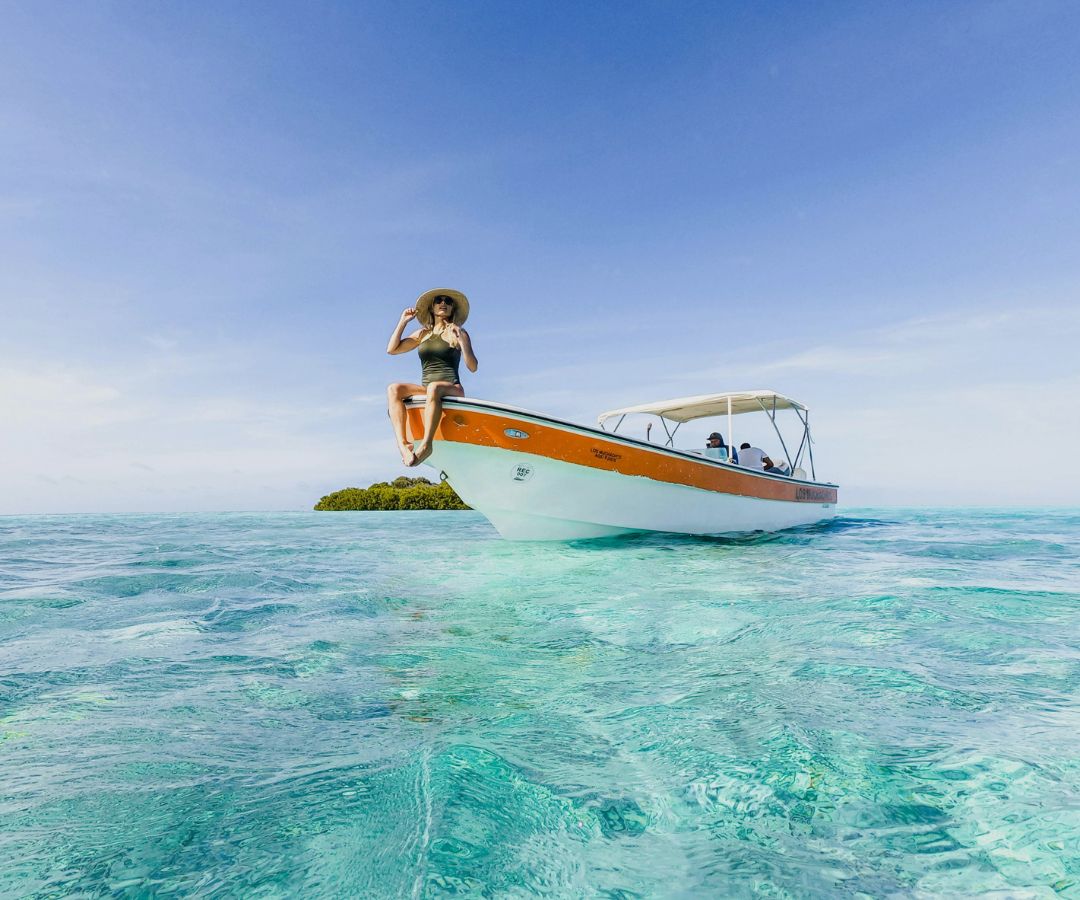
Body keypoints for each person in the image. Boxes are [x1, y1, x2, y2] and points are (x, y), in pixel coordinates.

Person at [386, 289, 478, 467]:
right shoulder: (423, 334)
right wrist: (403, 321)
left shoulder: (457, 332)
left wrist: (462, 342)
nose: (443, 303)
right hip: (428, 389)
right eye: (439, 300)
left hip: (452, 387)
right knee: (394, 389)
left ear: (452, 309)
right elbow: (392, 349)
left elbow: (473, 367)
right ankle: (403, 444)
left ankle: (427, 445)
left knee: (434, 387)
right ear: (432, 307)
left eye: (448, 301)